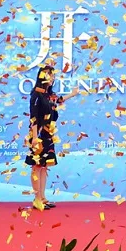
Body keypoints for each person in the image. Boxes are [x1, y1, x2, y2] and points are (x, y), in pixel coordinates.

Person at [26, 65, 79, 211]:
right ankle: (37, 198)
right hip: (38, 135)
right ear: (41, 76)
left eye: (53, 75)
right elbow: (33, 117)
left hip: (48, 134)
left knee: (44, 166)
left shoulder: (49, 94)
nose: (52, 77)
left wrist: (73, 94)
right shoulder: (36, 94)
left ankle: (43, 198)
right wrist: (34, 137)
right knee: (36, 166)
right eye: (49, 74)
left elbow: (59, 100)